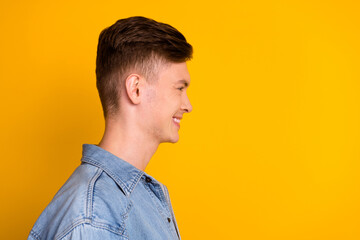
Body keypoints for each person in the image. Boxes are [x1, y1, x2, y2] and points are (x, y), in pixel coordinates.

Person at [28, 16, 193, 240]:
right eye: (179, 88)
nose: (188, 105)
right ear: (136, 89)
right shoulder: (95, 220)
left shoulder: (133, 197)